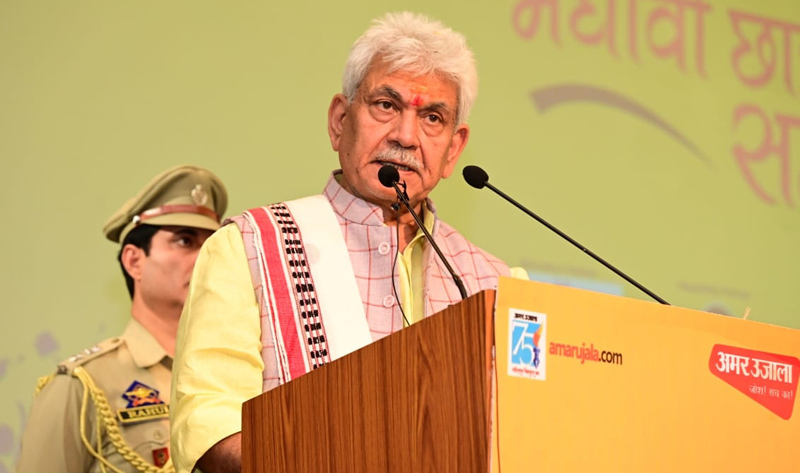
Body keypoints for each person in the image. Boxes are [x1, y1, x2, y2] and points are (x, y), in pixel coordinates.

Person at [170, 12, 526, 473]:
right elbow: (211, 429)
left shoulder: (498, 286)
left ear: (453, 150)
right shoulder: (250, 248)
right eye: (386, 105)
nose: (405, 135)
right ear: (340, 121)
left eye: (432, 117)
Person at [16, 165, 228, 473]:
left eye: (211, 244)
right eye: (184, 241)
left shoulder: (235, 374)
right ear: (134, 261)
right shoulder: (82, 387)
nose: (204, 256)